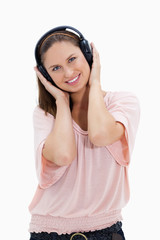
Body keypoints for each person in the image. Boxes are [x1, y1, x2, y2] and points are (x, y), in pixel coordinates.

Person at [28, 26, 140, 240]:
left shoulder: (123, 102)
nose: (68, 73)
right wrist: (61, 102)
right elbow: (63, 155)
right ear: (45, 75)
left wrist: (95, 82)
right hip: (50, 233)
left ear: (88, 55)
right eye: (55, 68)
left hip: (107, 231)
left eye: (72, 59)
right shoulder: (45, 115)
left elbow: (99, 135)